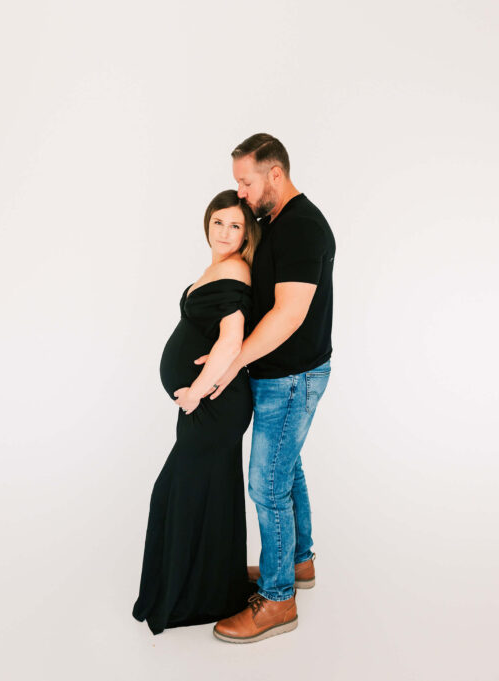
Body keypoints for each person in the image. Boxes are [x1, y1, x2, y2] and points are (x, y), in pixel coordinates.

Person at [206, 134, 336, 644]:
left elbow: (289, 314)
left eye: (246, 181)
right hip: (279, 374)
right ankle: (298, 563)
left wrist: (232, 362)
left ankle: (279, 599)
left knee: (265, 482)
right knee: (288, 465)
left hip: (292, 376)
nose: (238, 192)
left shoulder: (304, 227)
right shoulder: (273, 222)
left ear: (275, 175)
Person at [132, 190, 262, 634]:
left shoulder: (235, 270)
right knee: (212, 492)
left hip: (213, 405)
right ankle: (215, 588)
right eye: (219, 222)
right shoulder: (219, 268)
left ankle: (186, 597)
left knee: (174, 492)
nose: (225, 232)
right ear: (208, 222)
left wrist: (195, 394)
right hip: (213, 404)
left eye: (236, 225)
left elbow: (231, 339)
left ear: (247, 234)